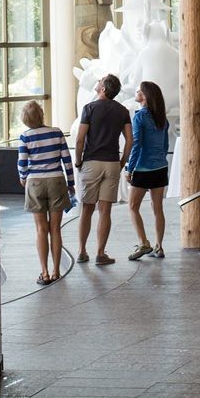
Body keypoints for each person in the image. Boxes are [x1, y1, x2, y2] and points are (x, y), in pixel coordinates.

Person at [75, 74, 132, 265]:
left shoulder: (89, 109)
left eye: (100, 80)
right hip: (112, 163)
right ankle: (100, 253)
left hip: (91, 162)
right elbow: (130, 141)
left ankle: (82, 251)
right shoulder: (123, 111)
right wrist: (122, 161)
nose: (98, 82)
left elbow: (80, 139)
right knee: (105, 211)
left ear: (103, 89)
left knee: (86, 210)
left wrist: (78, 161)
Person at [18, 101, 75, 286]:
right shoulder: (56, 132)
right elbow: (67, 159)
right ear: (41, 114)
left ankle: (44, 273)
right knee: (56, 228)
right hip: (57, 181)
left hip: (35, 183)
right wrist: (71, 183)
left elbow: (22, 163)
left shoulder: (25, 137)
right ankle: (56, 271)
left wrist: (23, 177)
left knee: (41, 229)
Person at [124, 80, 169, 261]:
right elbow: (165, 144)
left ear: (144, 96)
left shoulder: (139, 117)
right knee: (157, 208)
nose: (136, 92)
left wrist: (129, 167)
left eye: (138, 91)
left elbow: (136, 145)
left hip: (143, 168)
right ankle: (159, 246)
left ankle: (144, 243)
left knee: (133, 206)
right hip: (160, 166)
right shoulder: (161, 117)